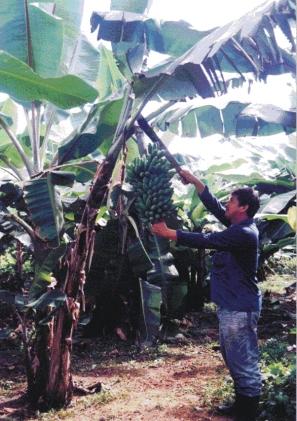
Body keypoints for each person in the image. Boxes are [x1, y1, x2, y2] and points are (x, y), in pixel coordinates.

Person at [151, 169, 262, 421]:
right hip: (231, 305)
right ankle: (241, 404)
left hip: (240, 308)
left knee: (243, 360)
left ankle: (248, 414)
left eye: (231, 201)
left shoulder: (242, 233)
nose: (226, 204)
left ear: (243, 208)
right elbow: (214, 207)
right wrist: (196, 183)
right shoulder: (239, 225)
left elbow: (207, 239)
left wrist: (170, 233)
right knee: (232, 357)